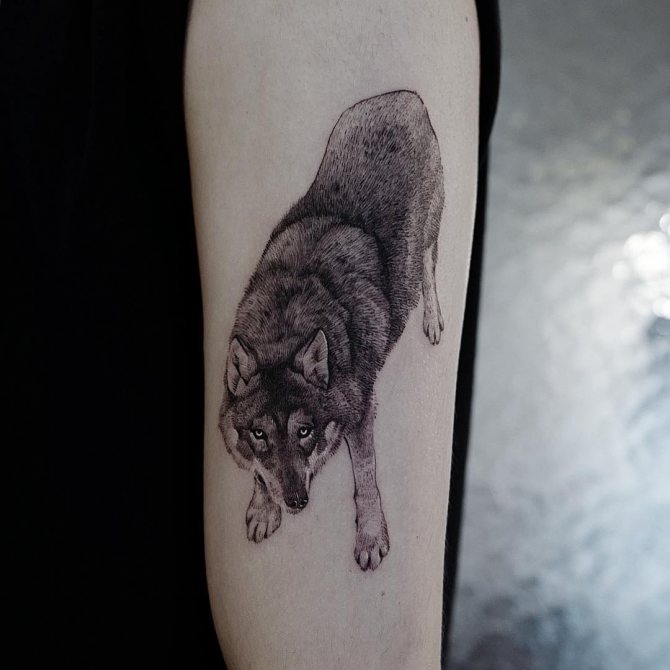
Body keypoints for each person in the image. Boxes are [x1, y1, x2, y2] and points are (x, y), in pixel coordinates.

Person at [5, 1, 498, 665]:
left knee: (425, 251)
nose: (295, 484)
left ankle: (429, 287)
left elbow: (364, 655)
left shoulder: (341, 22)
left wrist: (367, 510)